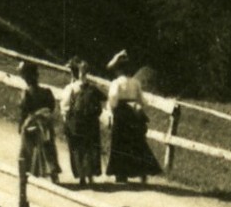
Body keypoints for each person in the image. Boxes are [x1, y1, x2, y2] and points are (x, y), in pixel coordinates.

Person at [105, 50, 162, 183]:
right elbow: (142, 100)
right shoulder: (135, 83)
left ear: (118, 70)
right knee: (136, 143)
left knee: (120, 144)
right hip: (133, 115)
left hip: (121, 114)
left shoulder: (116, 83)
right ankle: (141, 171)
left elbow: (113, 99)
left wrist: (111, 110)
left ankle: (121, 173)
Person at [61, 57, 105, 187]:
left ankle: (81, 177)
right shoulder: (92, 88)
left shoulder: (71, 88)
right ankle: (91, 176)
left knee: (78, 149)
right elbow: (104, 97)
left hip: (76, 122)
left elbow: (65, 106)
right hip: (91, 122)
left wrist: (66, 120)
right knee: (90, 148)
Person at [17, 60, 61, 183]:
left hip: (32, 123)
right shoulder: (46, 92)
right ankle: (53, 172)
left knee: (26, 146)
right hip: (45, 123)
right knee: (48, 146)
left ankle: (27, 170)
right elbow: (51, 107)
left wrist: (21, 125)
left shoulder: (26, 93)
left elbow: (23, 111)